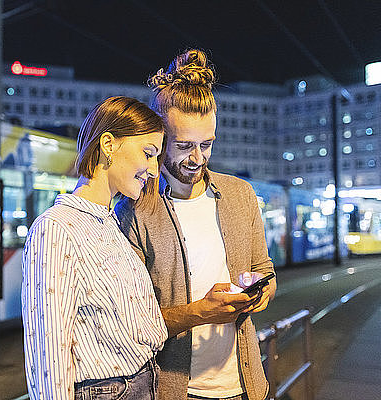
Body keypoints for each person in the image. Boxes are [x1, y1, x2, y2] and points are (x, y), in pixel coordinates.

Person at [115, 49, 276, 400]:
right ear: (158, 140)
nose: (197, 158)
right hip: (176, 391)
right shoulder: (134, 211)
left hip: (248, 387)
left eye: (207, 144)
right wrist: (200, 312)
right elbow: (133, 323)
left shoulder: (241, 195)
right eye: (184, 145)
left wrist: (261, 292)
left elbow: (264, 269)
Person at [22, 96, 169, 399]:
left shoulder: (110, 223)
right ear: (108, 144)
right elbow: (49, 351)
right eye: (149, 153)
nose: (154, 170)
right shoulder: (56, 228)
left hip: (139, 384)